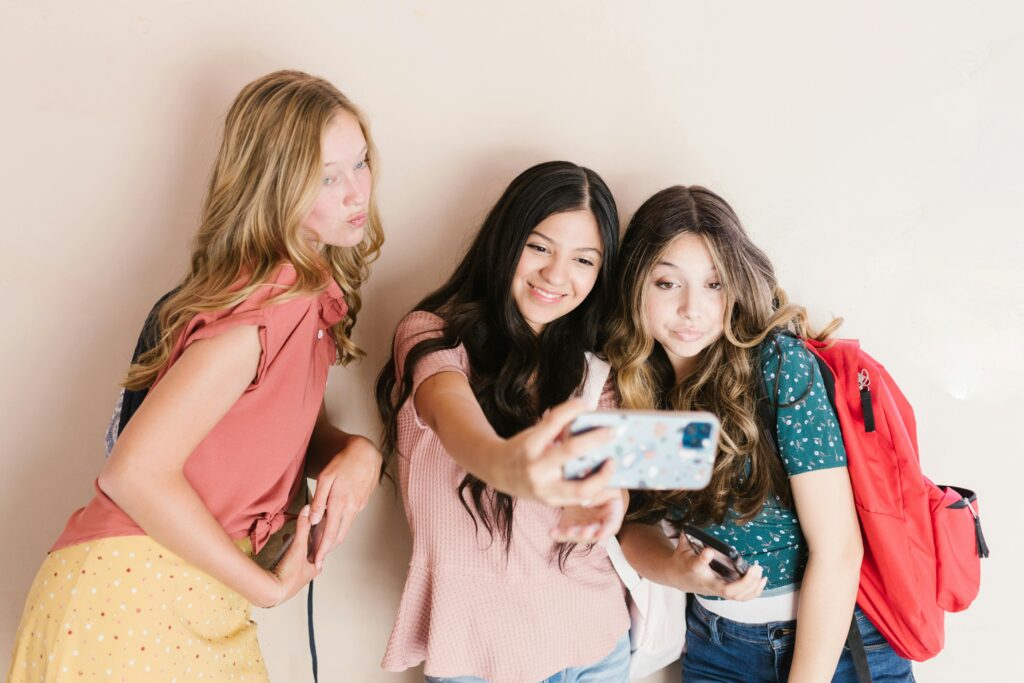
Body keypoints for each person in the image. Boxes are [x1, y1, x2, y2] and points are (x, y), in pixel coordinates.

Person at [7, 69, 385, 683]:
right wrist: (266, 588)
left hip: (186, 594)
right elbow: (133, 473)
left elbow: (277, 427)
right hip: (134, 599)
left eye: (361, 163)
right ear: (274, 187)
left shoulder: (305, 303)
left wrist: (356, 453)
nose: (356, 192)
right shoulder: (267, 308)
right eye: (327, 176)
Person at [610, 186, 914, 682]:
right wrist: (678, 570)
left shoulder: (775, 367)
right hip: (717, 647)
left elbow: (838, 549)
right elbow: (636, 525)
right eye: (667, 284)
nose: (692, 308)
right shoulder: (636, 381)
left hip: (833, 647)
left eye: (714, 285)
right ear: (635, 284)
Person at [375, 161, 631, 683]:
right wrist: (504, 465)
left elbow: (597, 486)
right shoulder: (432, 336)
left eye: (584, 259)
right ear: (505, 240)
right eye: (539, 247)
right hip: (478, 657)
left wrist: (612, 502)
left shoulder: (594, 373)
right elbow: (452, 417)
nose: (557, 275)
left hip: (595, 644)